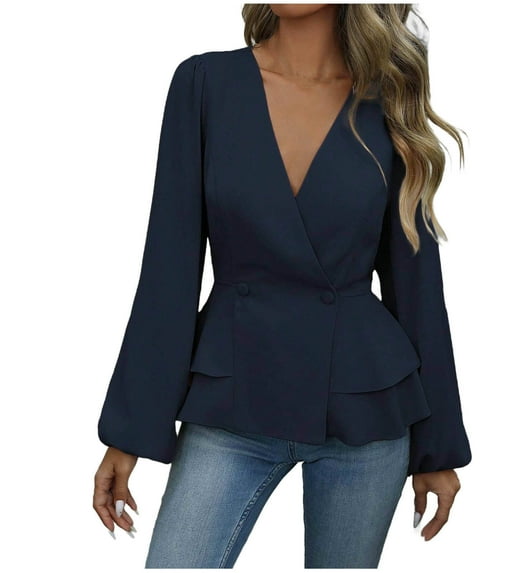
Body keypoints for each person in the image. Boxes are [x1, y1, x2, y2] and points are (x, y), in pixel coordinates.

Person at [92, 4, 472, 568]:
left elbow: (416, 283)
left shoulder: (388, 97)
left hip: (365, 410)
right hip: (232, 400)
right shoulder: (205, 83)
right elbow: (168, 267)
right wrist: (130, 429)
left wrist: (437, 448)